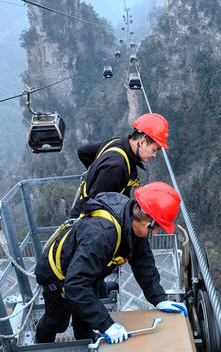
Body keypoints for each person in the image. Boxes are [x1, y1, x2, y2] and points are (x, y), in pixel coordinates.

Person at [34, 182, 188, 344]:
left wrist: (158, 298)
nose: (157, 233)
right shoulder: (101, 235)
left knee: (85, 316)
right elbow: (75, 284)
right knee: (57, 321)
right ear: (149, 224)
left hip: (86, 269)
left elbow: (143, 263)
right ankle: (41, 343)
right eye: (159, 229)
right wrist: (106, 325)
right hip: (57, 275)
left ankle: (85, 341)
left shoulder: (130, 221)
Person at [70, 113, 169, 218]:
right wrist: (101, 173)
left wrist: (96, 173)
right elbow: (95, 208)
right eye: (154, 150)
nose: (154, 155)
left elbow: (83, 151)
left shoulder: (117, 142)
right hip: (90, 226)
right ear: (142, 142)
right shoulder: (116, 167)